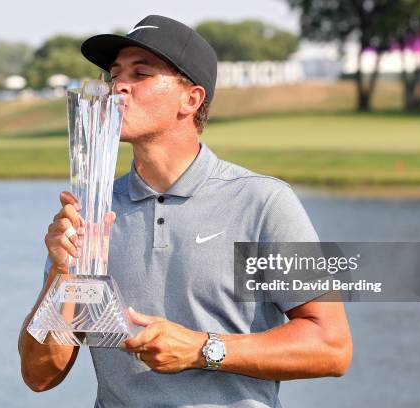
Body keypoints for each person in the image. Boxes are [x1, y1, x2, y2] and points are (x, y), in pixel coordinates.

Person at [18, 15, 352, 407]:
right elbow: (39, 375)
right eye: (114, 74)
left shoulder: (262, 202)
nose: (118, 86)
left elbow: (331, 347)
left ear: (190, 100)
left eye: (141, 73)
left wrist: (201, 349)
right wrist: (63, 275)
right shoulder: (91, 208)